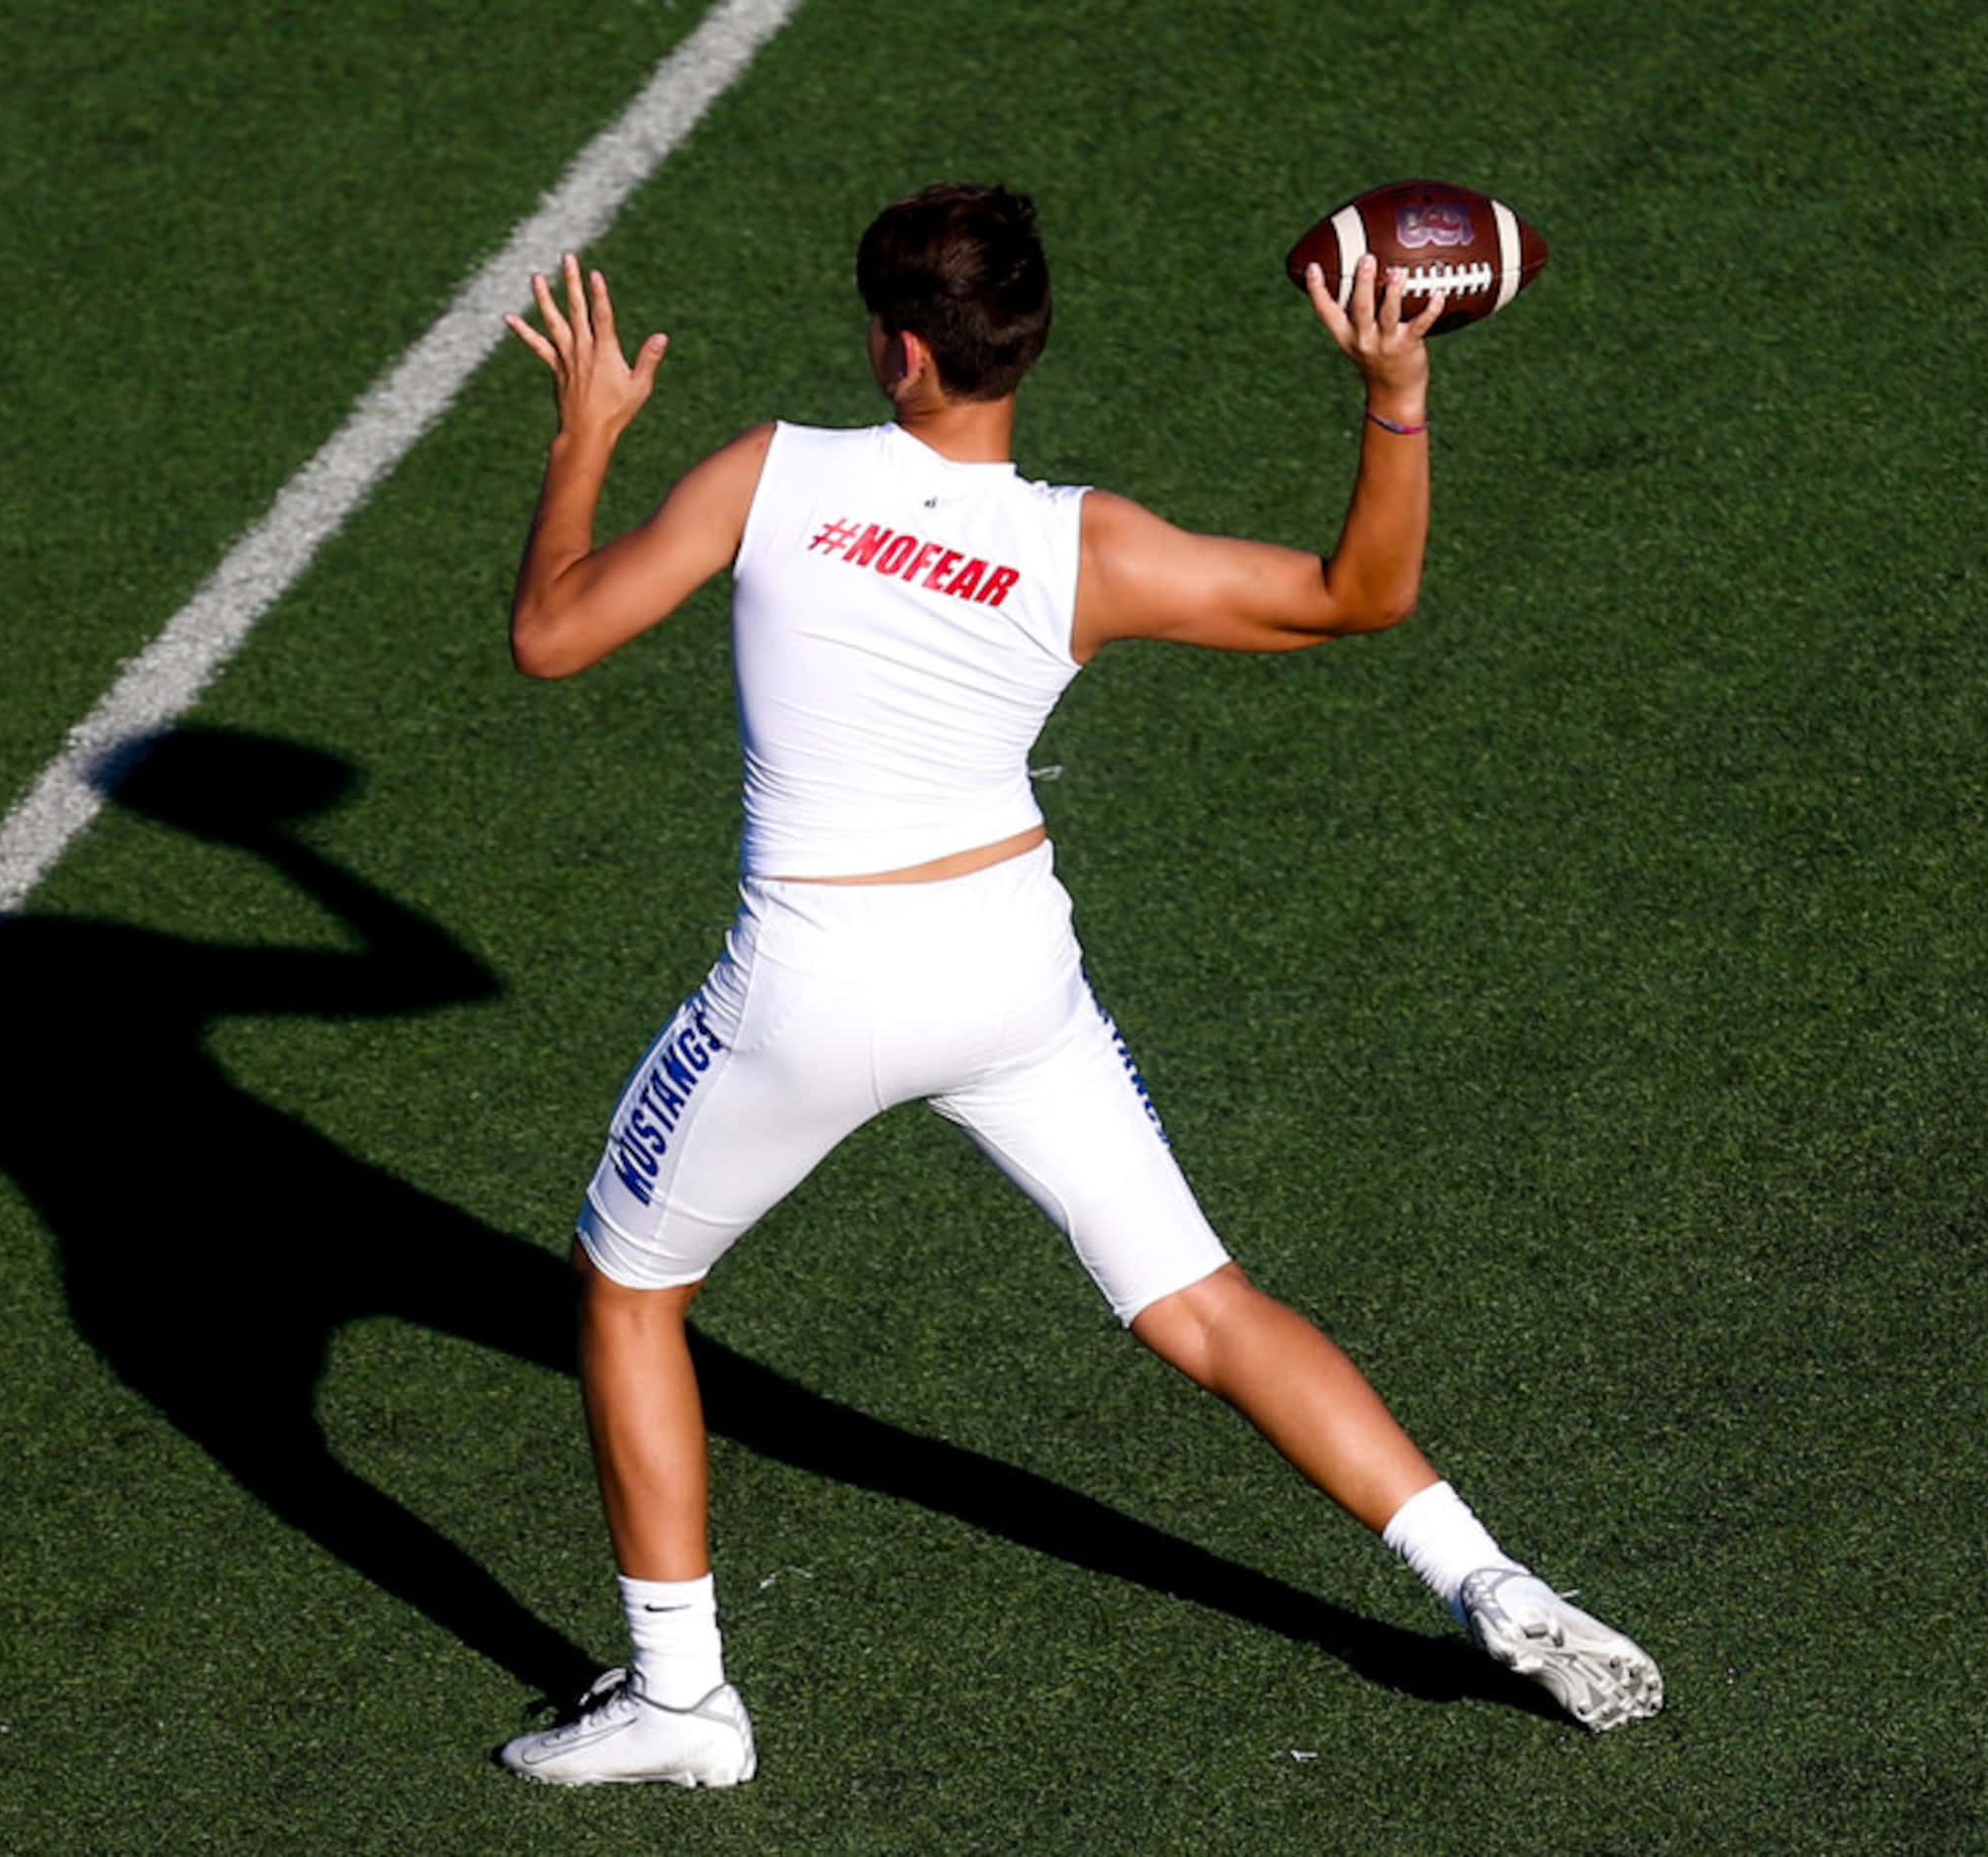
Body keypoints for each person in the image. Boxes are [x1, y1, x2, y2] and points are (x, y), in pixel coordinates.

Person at [489, 184, 1660, 1788]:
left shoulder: (768, 474)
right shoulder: (1087, 547)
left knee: (628, 1290)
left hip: (811, 985)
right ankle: (1488, 1576)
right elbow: (1358, 594)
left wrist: (588, 428)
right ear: (1019, 345)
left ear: (900, 348)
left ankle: (683, 1698)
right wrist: (1397, 400)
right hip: (1008, 971)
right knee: (1200, 1296)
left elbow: (551, 635)